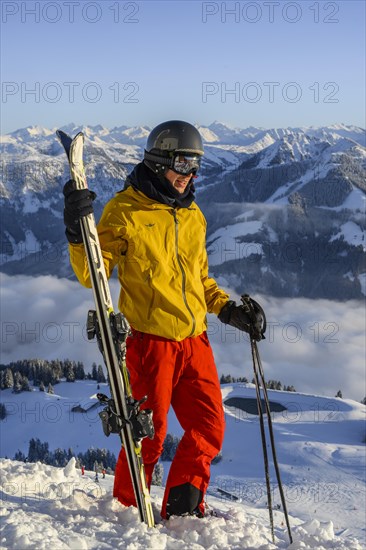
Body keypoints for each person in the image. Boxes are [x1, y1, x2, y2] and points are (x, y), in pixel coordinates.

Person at [63, 120, 264, 519]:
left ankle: (183, 507)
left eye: (195, 166)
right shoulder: (126, 210)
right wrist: (76, 230)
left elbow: (200, 279)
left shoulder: (193, 215)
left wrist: (228, 310)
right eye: (182, 163)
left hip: (195, 341)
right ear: (158, 161)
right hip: (149, 343)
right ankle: (126, 507)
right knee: (147, 437)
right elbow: (93, 273)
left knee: (209, 429)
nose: (189, 175)